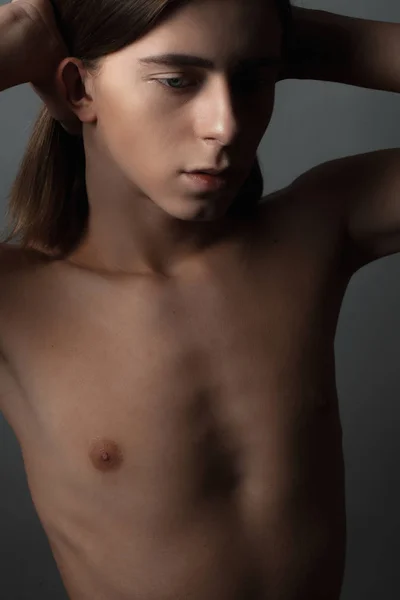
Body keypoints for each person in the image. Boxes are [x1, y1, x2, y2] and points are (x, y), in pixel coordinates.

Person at [0, 0, 399, 598]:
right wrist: (11, 43)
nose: (226, 125)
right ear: (78, 88)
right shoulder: (17, 299)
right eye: (178, 80)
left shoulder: (317, 231)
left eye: (251, 80)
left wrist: (280, 29)